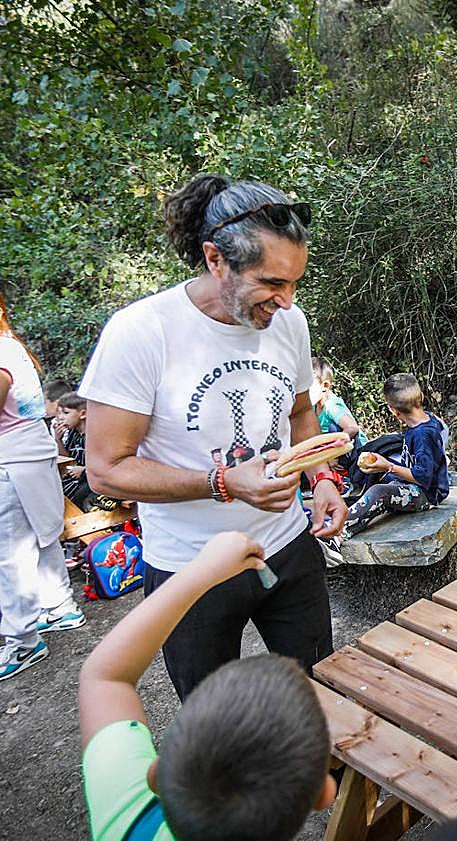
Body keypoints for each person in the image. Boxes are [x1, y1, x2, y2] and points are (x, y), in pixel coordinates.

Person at [79, 174, 347, 700]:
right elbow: (107, 468)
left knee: (318, 695)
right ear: (215, 259)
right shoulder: (141, 333)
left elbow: (299, 414)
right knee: (214, 717)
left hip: (288, 546)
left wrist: (322, 477)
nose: (287, 301)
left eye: (295, 283)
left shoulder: (288, 324)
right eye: (272, 283)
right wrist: (223, 482)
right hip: (190, 565)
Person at [80, 530, 336, 841]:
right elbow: (105, 678)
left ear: (156, 775)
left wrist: (203, 570)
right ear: (323, 794)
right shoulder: (131, 809)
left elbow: (104, 676)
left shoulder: (127, 820)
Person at [0, 292, 85, 681]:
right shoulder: (12, 348)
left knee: (10, 550)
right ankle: (58, 606)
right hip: (31, 454)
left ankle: (21, 640)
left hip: (12, 460)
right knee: (42, 534)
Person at [343, 372, 449, 538]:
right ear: (421, 397)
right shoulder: (427, 420)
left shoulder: (423, 435)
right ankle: (355, 522)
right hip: (409, 484)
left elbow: (423, 478)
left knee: (378, 491)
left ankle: (340, 530)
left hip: (426, 495)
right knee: (376, 489)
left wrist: (388, 466)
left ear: (393, 411)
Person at [310, 356, 367, 447]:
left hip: (357, 451)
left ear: (325, 386)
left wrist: (331, 449)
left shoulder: (331, 405)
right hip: (334, 451)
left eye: (308, 388)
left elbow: (352, 428)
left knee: (333, 429)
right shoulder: (313, 406)